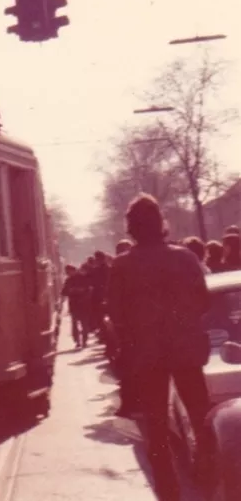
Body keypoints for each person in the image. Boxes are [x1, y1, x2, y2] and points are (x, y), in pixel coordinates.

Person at [108, 194, 213, 501]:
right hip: (186, 350)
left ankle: (169, 493)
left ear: (131, 227)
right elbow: (203, 301)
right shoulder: (185, 257)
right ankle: (208, 480)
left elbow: (116, 314)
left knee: (156, 429)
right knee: (199, 416)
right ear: (161, 224)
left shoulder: (123, 265)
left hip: (147, 355)